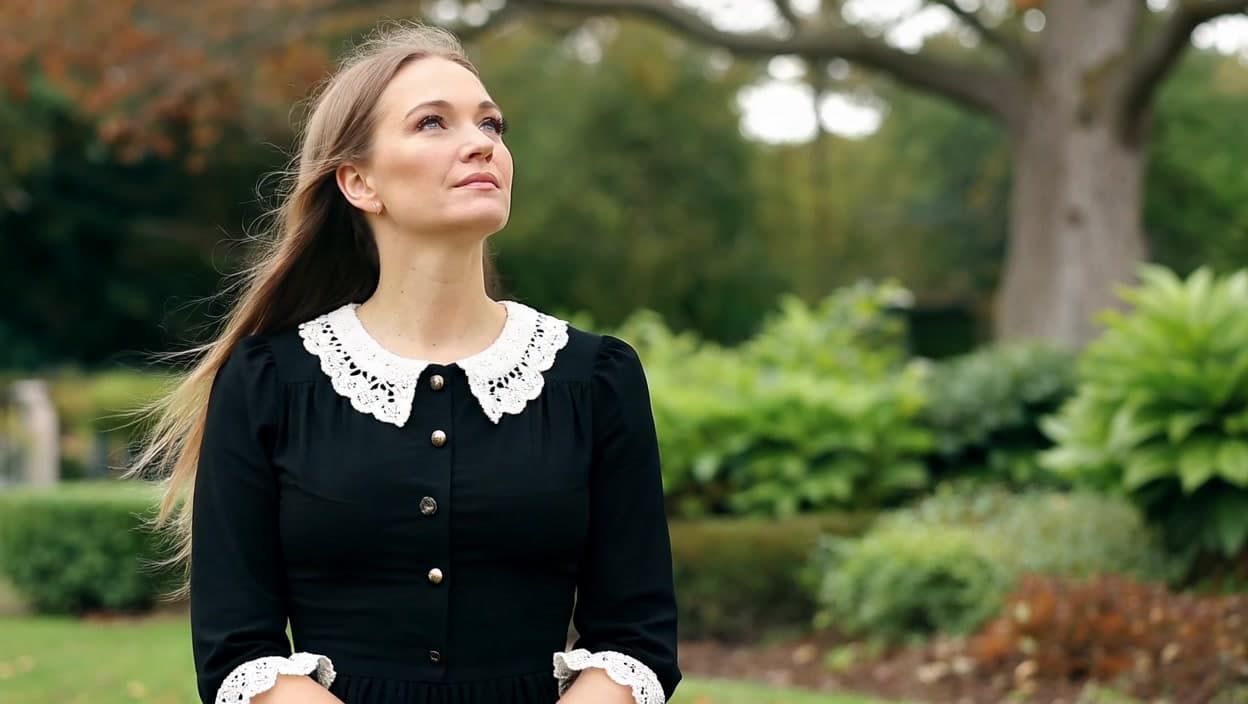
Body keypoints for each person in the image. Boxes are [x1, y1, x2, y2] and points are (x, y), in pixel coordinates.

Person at [129, 20, 680, 704]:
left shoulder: (596, 378)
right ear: (359, 181)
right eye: (432, 124)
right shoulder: (267, 381)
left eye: (492, 123)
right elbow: (239, 651)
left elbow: (637, 636)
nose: (481, 143)